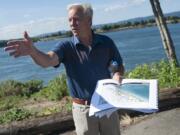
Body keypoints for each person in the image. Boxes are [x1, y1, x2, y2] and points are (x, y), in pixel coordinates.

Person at [4, 3, 124, 135]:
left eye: (76, 19)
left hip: (108, 104)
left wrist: (117, 74)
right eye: (70, 20)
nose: (72, 23)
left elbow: (117, 64)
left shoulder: (106, 42)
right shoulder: (66, 46)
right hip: (83, 109)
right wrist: (33, 52)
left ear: (89, 20)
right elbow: (48, 60)